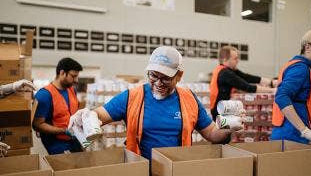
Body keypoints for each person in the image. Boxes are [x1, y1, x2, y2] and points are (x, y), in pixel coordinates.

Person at [69, 46, 237, 161]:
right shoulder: (133, 97)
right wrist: (85, 114)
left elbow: (212, 134)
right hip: (139, 172)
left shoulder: (189, 99)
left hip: (176, 171)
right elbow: (100, 115)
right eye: (153, 75)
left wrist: (229, 124)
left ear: (179, 75)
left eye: (165, 78)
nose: (158, 82)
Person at [271, 28, 311, 145]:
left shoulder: (295, 65)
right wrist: (305, 130)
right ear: (308, 47)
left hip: (288, 134)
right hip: (291, 136)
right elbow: (282, 96)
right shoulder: (300, 68)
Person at [210, 46, 276, 121]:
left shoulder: (227, 70)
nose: (238, 61)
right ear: (225, 60)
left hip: (224, 109)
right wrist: (272, 90)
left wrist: (271, 82)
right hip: (220, 112)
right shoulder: (225, 73)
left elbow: (247, 77)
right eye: (235, 58)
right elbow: (247, 87)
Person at [32, 57, 83, 154]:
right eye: (73, 76)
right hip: (56, 142)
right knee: (66, 167)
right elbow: (37, 125)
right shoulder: (44, 95)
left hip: (74, 138)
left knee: (83, 163)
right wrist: (64, 131)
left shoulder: (72, 90)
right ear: (62, 73)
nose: (76, 80)